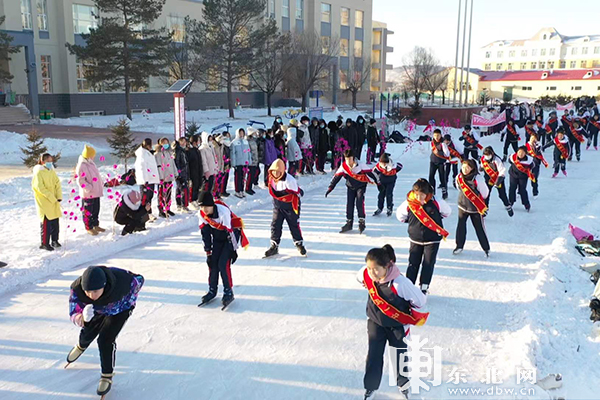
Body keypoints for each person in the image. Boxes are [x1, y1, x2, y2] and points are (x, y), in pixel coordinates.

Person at [357, 245, 428, 400]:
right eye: (369, 268)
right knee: (374, 355)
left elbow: (420, 301)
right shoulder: (367, 274)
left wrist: (408, 309)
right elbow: (359, 277)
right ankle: (370, 387)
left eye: (376, 269)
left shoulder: (400, 283)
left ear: (387, 266)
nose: (371, 272)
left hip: (397, 326)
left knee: (399, 355)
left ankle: (403, 385)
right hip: (375, 322)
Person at [66, 266, 144, 396]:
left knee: (105, 340)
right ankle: (81, 345)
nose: (91, 295)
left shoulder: (123, 281)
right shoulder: (76, 289)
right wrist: (80, 317)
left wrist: (125, 303)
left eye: (95, 291)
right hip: (98, 308)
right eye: (87, 291)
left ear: (104, 285)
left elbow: (140, 280)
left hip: (120, 309)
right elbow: (73, 310)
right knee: (89, 328)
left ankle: (107, 375)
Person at [397, 178, 451, 294]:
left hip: (432, 239)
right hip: (415, 238)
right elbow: (400, 216)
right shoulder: (409, 203)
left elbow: (447, 212)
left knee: (428, 263)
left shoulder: (437, 202)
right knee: (413, 263)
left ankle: (424, 287)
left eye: (422, 195)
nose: (419, 198)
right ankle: (409, 286)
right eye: (416, 195)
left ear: (428, 194)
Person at [197, 191, 249, 308]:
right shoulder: (201, 214)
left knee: (223, 264)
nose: (204, 209)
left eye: (207, 206)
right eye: (202, 206)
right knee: (213, 264)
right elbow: (205, 234)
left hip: (229, 237)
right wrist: (208, 253)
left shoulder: (223, 212)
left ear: (212, 205)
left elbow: (230, 233)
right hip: (217, 238)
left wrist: (233, 250)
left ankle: (228, 291)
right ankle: (212, 290)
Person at [326, 149, 376, 234]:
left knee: (359, 202)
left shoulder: (360, 165)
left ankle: (361, 222)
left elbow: (371, 174)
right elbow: (336, 178)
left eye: (350, 159)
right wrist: (330, 188)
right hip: (350, 186)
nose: (348, 161)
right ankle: (349, 222)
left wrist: (378, 183)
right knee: (349, 204)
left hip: (361, 186)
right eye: (346, 159)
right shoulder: (344, 166)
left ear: (353, 158)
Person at [264, 159, 306, 258]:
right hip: (278, 206)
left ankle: (299, 243)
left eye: (278, 172)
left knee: (294, 225)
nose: (275, 174)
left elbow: (298, 193)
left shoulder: (290, 181)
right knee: (275, 225)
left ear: (282, 171)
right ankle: (274, 245)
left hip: (290, 207)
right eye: (273, 171)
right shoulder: (271, 178)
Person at [454, 159, 490, 257]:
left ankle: (486, 248)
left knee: (479, 228)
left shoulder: (478, 179)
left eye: (468, 168)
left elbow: (485, 193)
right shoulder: (459, 177)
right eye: (463, 167)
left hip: (475, 208)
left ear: (473, 168)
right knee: (461, 226)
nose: (465, 170)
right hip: (462, 205)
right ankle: (459, 246)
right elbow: (458, 187)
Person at [32, 153, 62, 251]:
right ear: (43, 161)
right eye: (48, 161)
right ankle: (45, 243)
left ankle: (55, 240)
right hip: (44, 201)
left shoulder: (51, 171)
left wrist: (58, 196)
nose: (50, 163)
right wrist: (52, 197)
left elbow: (57, 183)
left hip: (53, 200)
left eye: (51, 161)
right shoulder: (38, 173)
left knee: (55, 222)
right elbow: (40, 188)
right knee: (46, 222)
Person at [76, 145, 105, 235]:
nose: (94, 157)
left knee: (96, 209)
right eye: (93, 155)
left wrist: (100, 183)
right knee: (88, 211)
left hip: (96, 192)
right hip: (88, 193)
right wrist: (89, 188)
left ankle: (95, 224)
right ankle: (89, 227)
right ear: (88, 155)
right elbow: (80, 180)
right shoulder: (82, 165)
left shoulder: (90, 162)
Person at [480, 146, 513, 216]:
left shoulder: (497, 160)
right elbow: (482, 166)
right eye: (485, 155)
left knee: (502, 195)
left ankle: (508, 206)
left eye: (488, 155)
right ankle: (485, 209)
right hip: (488, 179)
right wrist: (481, 168)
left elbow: (502, 170)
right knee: (486, 194)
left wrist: (498, 181)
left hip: (498, 178)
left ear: (492, 154)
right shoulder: (483, 159)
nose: (487, 157)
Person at [134, 138, 160, 222]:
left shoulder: (147, 153)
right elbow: (141, 168)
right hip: (146, 180)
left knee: (150, 197)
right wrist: (144, 179)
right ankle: (145, 214)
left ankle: (148, 213)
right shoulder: (142, 154)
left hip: (150, 179)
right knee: (145, 198)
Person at [372, 153, 403, 217]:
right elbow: (373, 173)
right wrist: (377, 181)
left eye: (385, 163)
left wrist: (394, 172)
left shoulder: (393, 165)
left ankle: (389, 208)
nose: (383, 165)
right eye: (382, 163)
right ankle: (380, 208)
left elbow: (400, 166)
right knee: (381, 195)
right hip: (382, 182)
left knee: (389, 194)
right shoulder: (377, 167)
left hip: (391, 182)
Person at [154, 137, 178, 218]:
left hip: (169, 176)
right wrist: (161, 177)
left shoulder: (169, 153)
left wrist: (175, 172)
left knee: (168, 193)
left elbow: (172, 164)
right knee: (161, 194)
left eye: (167, 142)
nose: (166, 144)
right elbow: (159, 166)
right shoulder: (158, 154)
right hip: (163, 177)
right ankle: (161, 210)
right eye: (164, 143)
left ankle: (167, 208)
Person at [508, 146, 535, 212]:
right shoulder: (513, 157)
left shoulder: (529, 160)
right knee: (512, 188)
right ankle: (511, 202)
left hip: (523, 177)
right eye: (519, 152)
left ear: (525, 153)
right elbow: (510, 161)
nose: (520, 154)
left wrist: (531, 173)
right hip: (513, 175)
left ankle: (526, 204)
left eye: (522, 153)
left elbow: (533, 167)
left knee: (522, 190)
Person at [230, 128, 252, 198]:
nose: (241, 134)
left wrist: (249, 160)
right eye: (240, 133)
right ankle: (237, 190)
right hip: (238, 163)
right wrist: (233, 163)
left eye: (242, 133)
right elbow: (232, 154)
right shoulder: (234, 142)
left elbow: (248, 152)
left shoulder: (245, 142)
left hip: (244, 163)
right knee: (238, 177)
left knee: (243, 177)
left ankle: (242, 190)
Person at [428, 129, 450, 200]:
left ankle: (444, 192)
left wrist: (439, 153)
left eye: (438, 135)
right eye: (435, 135)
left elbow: (447, 154)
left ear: (440, 135)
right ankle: (432, 191)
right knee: (431, 177)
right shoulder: (432, 142)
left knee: (442, 177)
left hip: (440, 162)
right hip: (433, 162)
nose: (436, 137)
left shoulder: (443, 143)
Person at [526, 133, 548, 198]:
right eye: (531, 138)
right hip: (528, 164)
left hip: (536, 163)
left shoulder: (538, 145)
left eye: (534, 138)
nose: (532, 139)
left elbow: (539, 153)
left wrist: (537, 147)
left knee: (534, 177)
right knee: (523, 177)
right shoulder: (527, 145)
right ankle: (519, 191)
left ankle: (535, 192)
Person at [173, 137, 190, 212]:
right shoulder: (178, 151)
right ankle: (183, 205)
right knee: (183, 189)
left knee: (179, 189)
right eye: (182, 142)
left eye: (185, 142)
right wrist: (179, 173)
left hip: (184, 172)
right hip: (180, 173)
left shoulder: (183, 151)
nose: (184, 143)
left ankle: (179, 204)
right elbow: (177, 162)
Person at [187, 134, 204, 208]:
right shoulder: (190, 151)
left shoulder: (197, 150)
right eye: (198, 141)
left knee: (197, 185)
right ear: (194, 142)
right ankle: (192, 200)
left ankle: (196, 199)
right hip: (192, 172)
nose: (199, 142)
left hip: (198, 171)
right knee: (193, 186)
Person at [245, 128, 260, 195]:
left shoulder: (254, 140)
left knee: (254, 173)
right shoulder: (247, 141)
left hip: (255, 160)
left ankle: (250, 187)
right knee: (250, 175)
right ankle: (248, 188)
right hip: (251, 160)